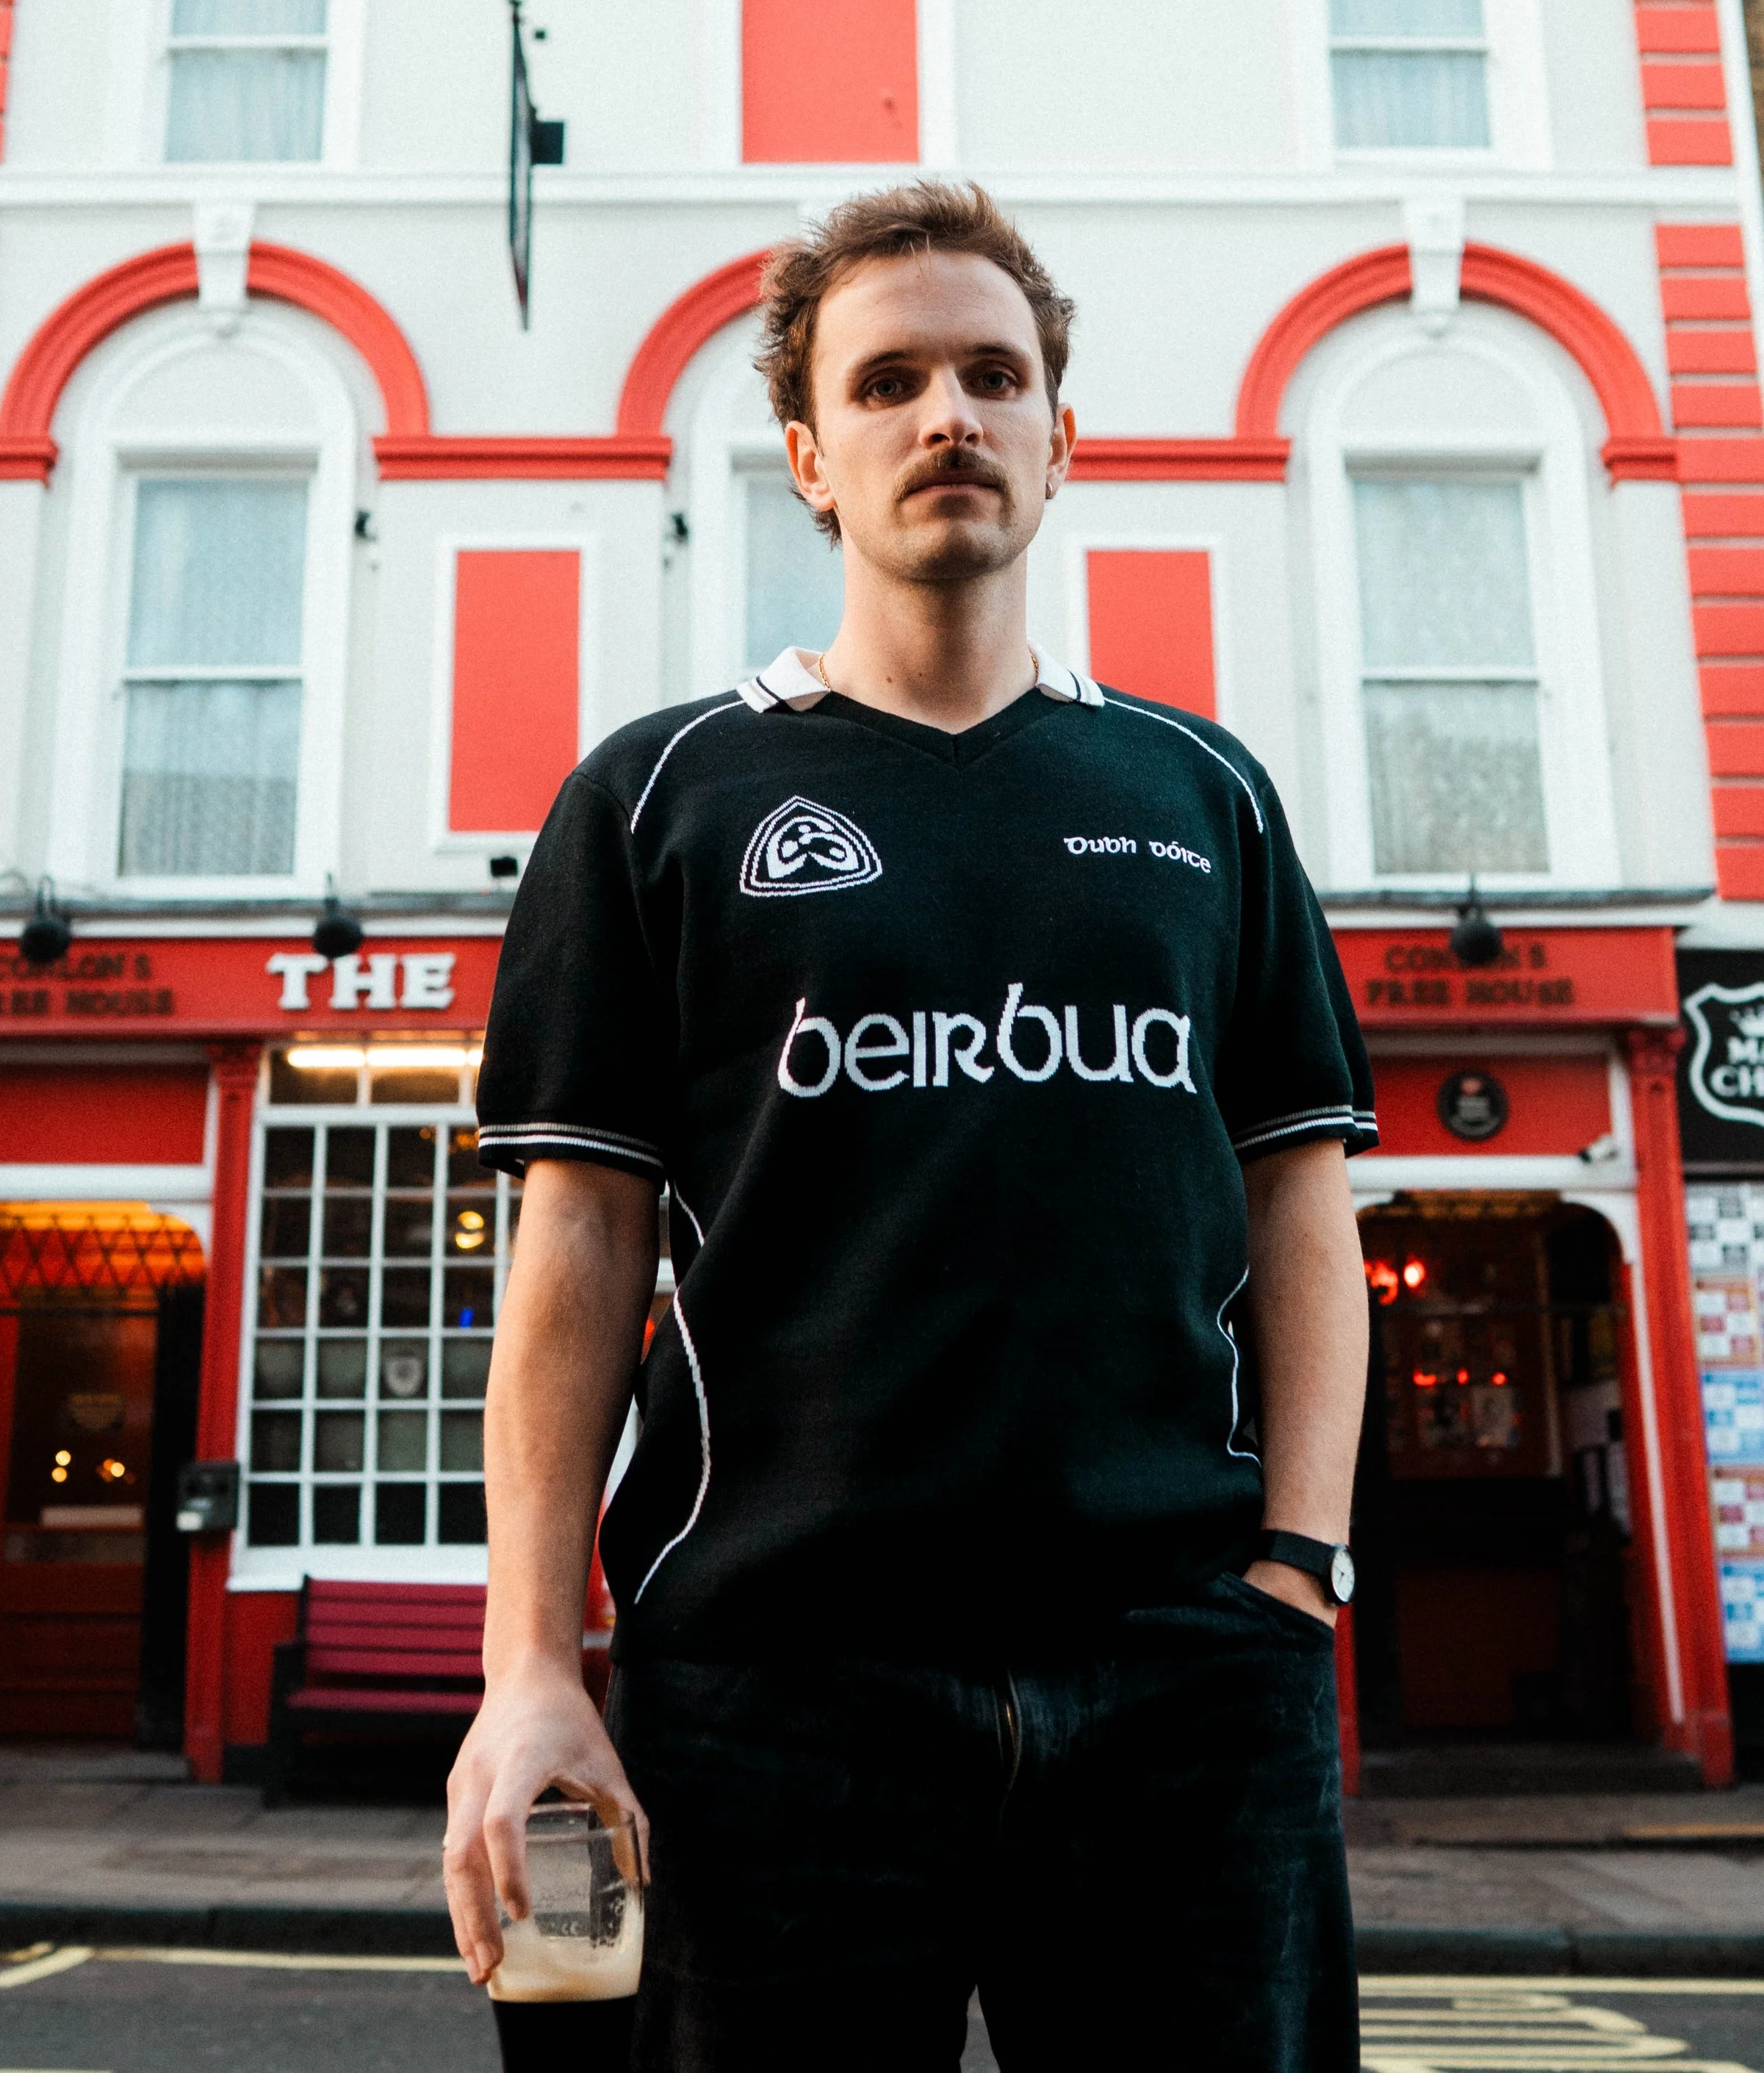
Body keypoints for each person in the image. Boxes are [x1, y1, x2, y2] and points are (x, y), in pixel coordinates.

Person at [444, 180, 1376, 2072]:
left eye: (990, 375)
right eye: (888, 384)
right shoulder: (660, 800)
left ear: (1056, 438)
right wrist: (532, 1659)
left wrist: (1298, 1571)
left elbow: (1295, 1203)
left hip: (1183, 1676)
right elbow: (578, 1251)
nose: (945, 413)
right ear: (809, 456)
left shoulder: (1206, 794)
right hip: (777, 1690)